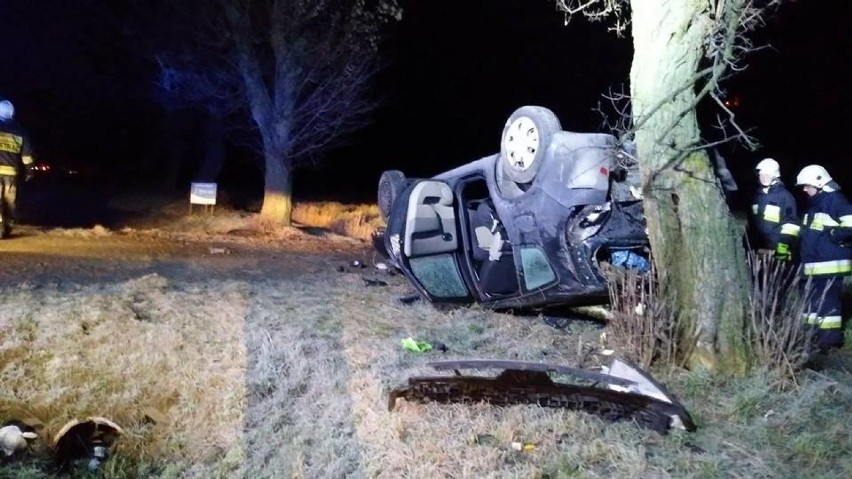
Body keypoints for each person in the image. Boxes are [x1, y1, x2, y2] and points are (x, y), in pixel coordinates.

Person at [777, 164, 851, 350]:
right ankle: (812, 337)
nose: (804, 189)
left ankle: (829, 341)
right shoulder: (815, 203)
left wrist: (834, 236)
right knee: (812, 301)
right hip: (814, 263)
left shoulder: (836, 201)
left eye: (807, 186)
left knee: (827, 303)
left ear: (820, 183)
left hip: (830, 264)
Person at [0, 99, 35, 238]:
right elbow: (27, 155)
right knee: (10, 202)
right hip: (11, 174)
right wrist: (29, 171)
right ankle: (7, 227)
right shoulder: (19, 131)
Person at [750, 158, 798, 256]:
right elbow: (752, 223)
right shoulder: (756, 196)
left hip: (777, 249)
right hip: (759, 250)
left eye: (766, 175)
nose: (763, 178)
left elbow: (791, 224)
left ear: (775, 176)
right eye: (761, 175)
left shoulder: (785, 197)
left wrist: (782, 249)